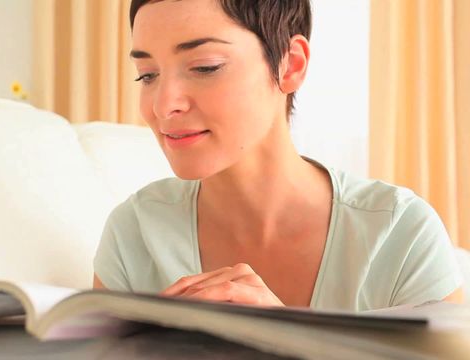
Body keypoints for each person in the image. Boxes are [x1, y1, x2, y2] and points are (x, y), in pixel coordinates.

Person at [93, 0, 464, 310]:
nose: (163, 105)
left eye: (204, 67)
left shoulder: (399, 234)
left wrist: (287, 343)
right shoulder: (134, 233)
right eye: (147, 75)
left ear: (291, 64)